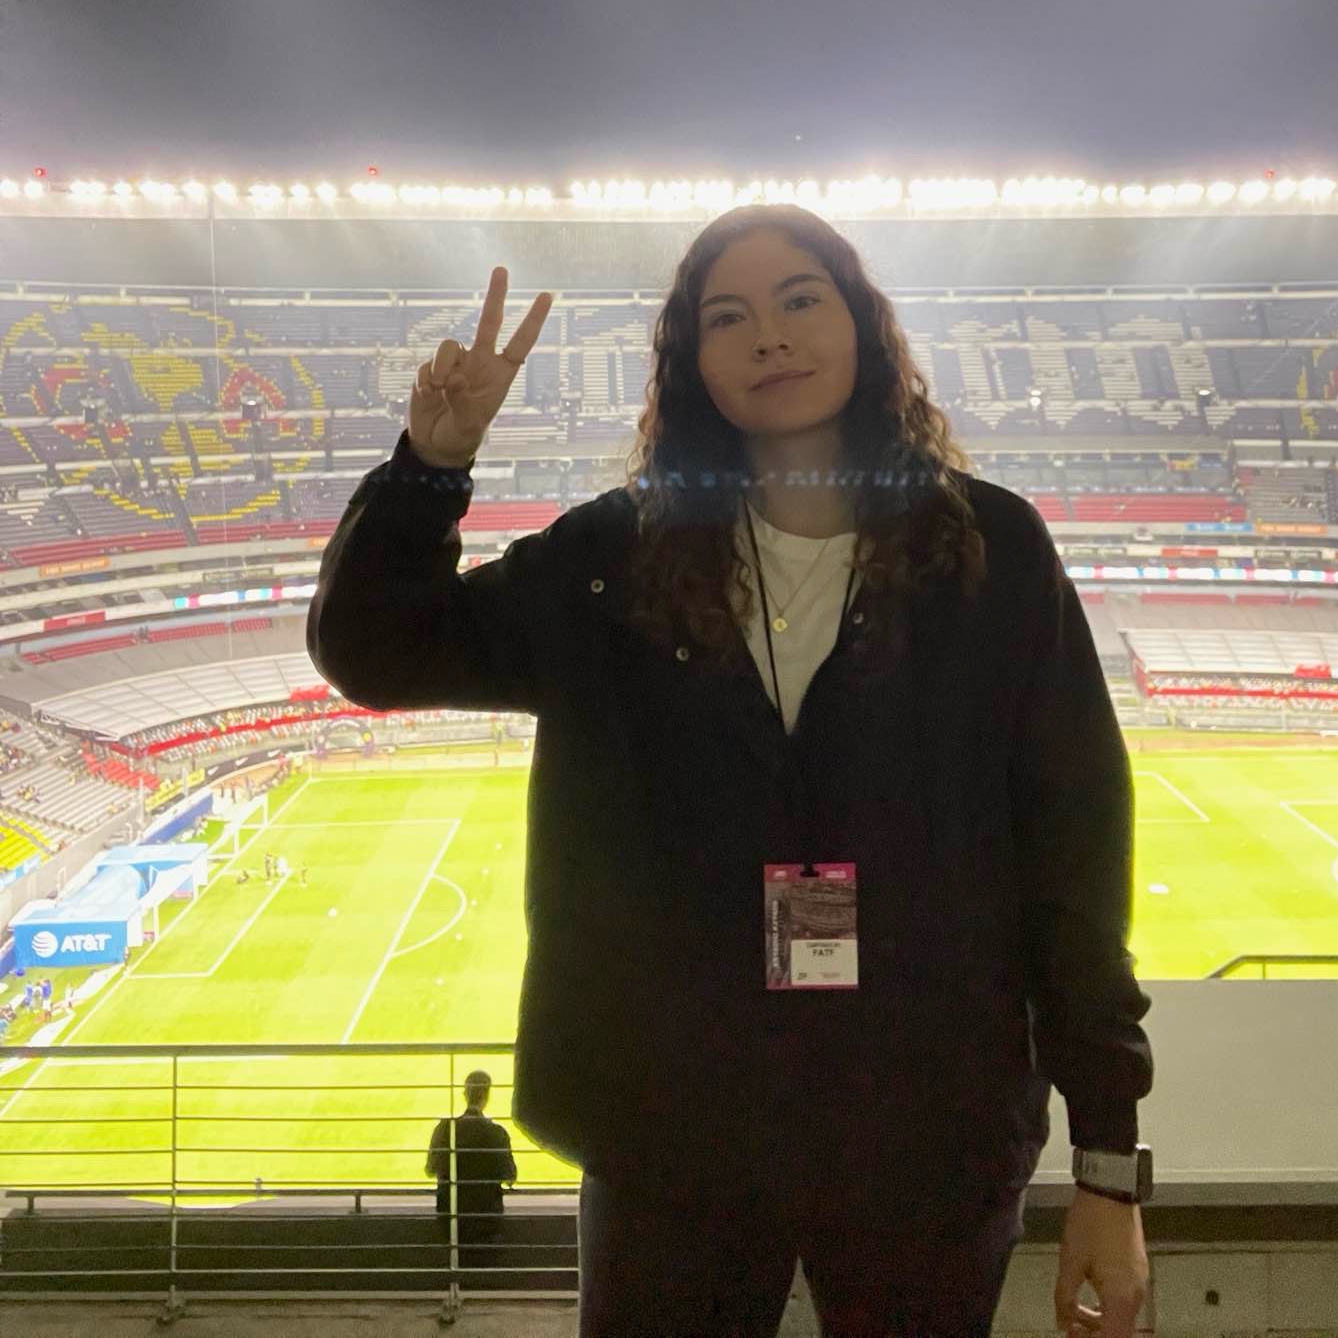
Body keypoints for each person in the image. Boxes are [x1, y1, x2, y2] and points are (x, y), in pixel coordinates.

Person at [310, 212, 1154, 1337]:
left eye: (802, 299)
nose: (770, 335)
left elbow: (1074, 863)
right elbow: (376, 653)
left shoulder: (989, 554)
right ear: (691, 362)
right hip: (673, 1137)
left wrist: (1107, 1167)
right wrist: (431, 469)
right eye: (728, 317)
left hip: (927, 1131)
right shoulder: (620, 556)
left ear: (860, 327)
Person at [425, 1069, 517, 1269]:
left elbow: (430, 1169)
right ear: (486, 1095)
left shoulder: (444, 1129)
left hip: (449, 1216)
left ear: (465, 1094)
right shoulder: (497, 1133)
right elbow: (510, 1176)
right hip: (486, 1219)